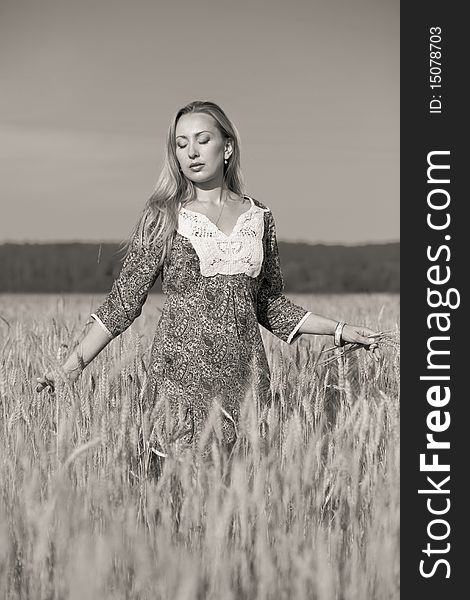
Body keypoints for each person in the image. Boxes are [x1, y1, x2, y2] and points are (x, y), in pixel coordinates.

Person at [36, 100, 380, 459]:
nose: (191, 152)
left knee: (239, 505)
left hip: (246, 386)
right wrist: (70, 370)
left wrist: (341, 330)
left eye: (202, 140)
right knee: (179, 502)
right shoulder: (163, 216)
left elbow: (269, 304)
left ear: (227, 147)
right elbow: (123, 304)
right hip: (178, 388)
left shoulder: (260, 216)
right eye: (181, 144)